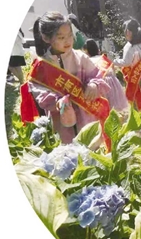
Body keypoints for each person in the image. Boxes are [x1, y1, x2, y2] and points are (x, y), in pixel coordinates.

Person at [21, 11, 111, 145]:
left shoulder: (81, 58)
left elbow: (97, 76)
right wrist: (57, 101)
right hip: (61, 122)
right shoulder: (41, 66)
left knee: (90, 149)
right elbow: (40, 93)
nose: (68, 40)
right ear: (46, 38)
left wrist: (94, 85)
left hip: (86, 118)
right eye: (61, 37)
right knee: (67, 153)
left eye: (69, 35)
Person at [83, 38, 128, 113]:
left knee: (103, 111)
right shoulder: (103, 58)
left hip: (101, 85)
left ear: (86, 51)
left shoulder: (88, 61)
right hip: (113, 84)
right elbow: (113, 71)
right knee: (114, 111)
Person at [113, 18, 141, 110]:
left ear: (129, 32)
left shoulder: (129, 47)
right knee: (139, 94)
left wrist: (113, 61)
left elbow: (126, 62)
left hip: (131, 74)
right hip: (140, 74)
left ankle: (135, 111)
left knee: (134, 95)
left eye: (126, 31)